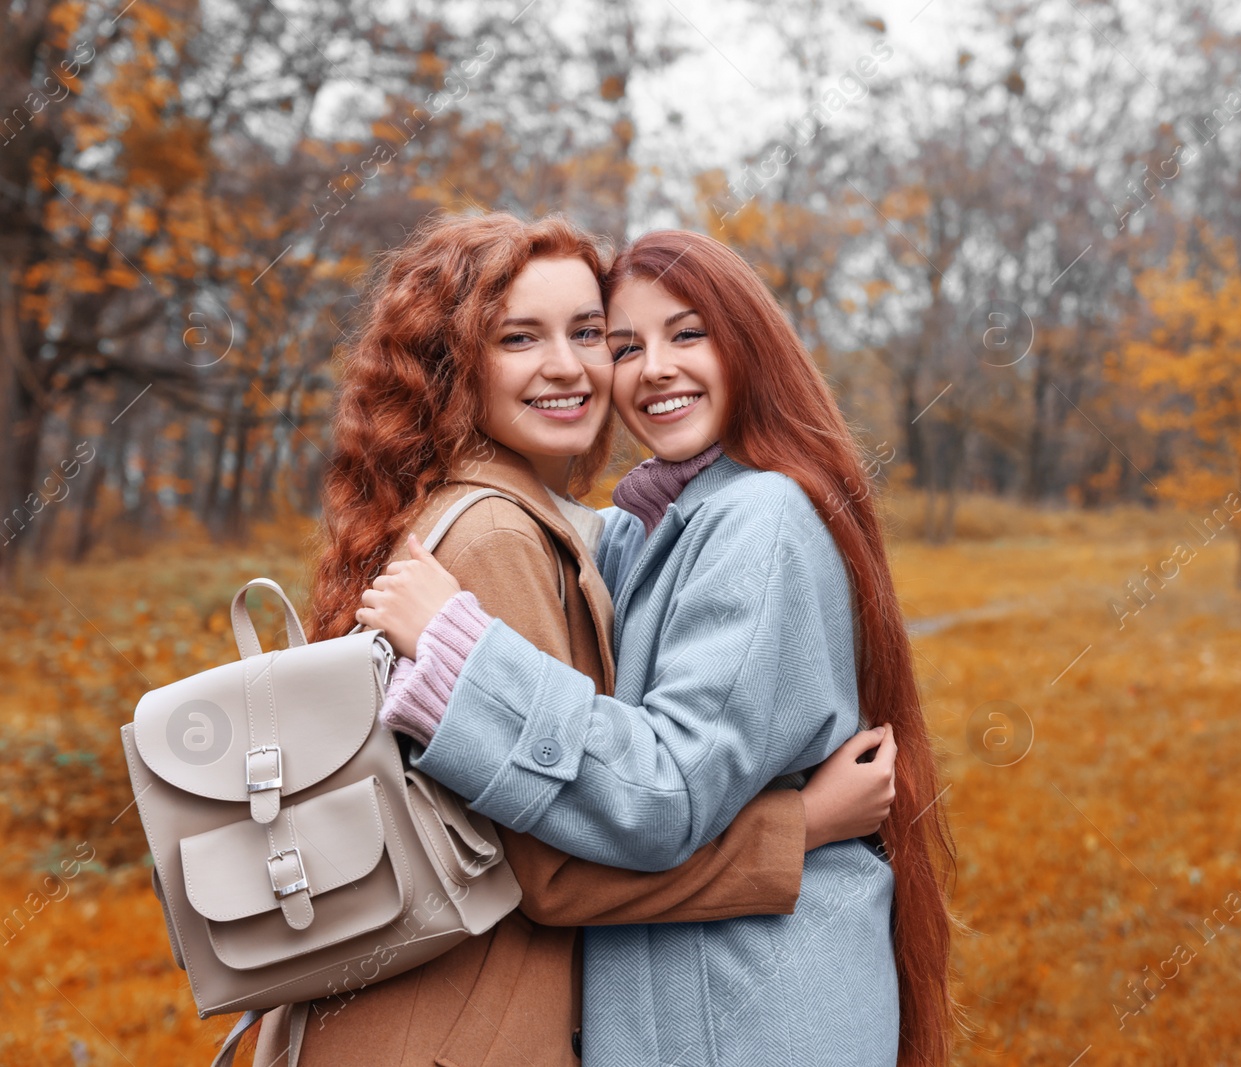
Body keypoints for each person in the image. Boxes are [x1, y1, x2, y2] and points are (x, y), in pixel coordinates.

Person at [260, 213, 895, 1067]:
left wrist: (463, 651)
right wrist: (803, 827)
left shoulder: (747, 515)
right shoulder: (504, 530)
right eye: (623, 343)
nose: (597, 366)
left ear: (747, 345)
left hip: (737, 1010)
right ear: (457, 364)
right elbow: (556, 872)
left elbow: (651, 787)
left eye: (589, 334)